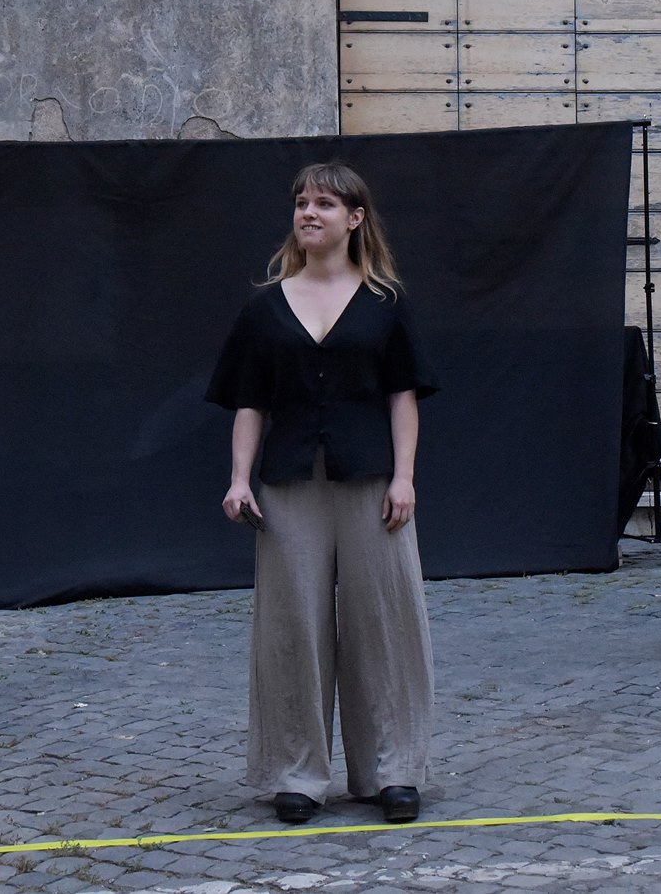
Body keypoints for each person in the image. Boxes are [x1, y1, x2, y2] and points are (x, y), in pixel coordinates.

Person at [207, 162, 439, 825]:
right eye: (302, 203)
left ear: (355, 218)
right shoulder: (265, 307)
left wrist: (404, 476)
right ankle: (298, 774)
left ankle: (392, 772)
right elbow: (248, 402)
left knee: (386, 624)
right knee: (292, 628)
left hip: (371, 482)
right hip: (289, 483)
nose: (309, 212)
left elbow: (403, 398)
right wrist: (238, 478)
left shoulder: (385, 302)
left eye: (325, 204)